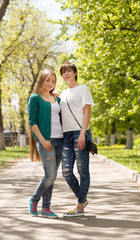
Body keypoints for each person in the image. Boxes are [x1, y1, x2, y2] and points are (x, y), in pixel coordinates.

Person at [60, 62, 94, 218]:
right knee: (66, 172)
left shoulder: (83, 89)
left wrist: (82, 133)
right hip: (66, 135)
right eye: (63, 72)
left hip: (79, 133)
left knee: (82, 170)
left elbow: (87, 112)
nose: (66, 74)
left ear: (75, 73)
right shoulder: (62, 94)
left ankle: (79, 206)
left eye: (69, 71)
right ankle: (83, 198)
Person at [27, 69, 63, 218]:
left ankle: (46, 208)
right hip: (46, 141)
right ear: (42, 81)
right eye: (48, 80)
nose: (51, 83)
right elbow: (32, 122)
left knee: (52, 176)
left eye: (53, 81)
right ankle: (34, 199)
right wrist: (42, 140)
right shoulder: (35, 98)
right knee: (50, 175)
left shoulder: (56, 99)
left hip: (60, 140)